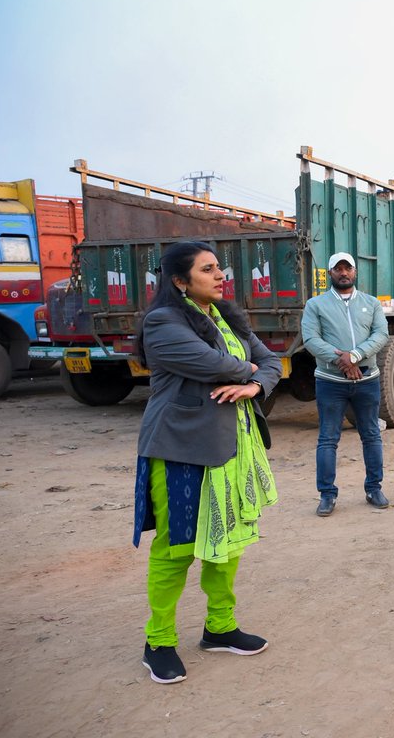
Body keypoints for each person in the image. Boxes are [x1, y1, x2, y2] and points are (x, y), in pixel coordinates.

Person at [132, 241, 281, 685]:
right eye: (208, 269)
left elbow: (271, 360)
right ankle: (158, 641)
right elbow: (211, 363)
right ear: (180, 281)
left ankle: (219, 628)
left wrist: (257, 384)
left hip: (232, 447)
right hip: (181, 448)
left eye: (220, 268)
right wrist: (248, 369)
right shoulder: (162, 322)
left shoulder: (225, 317)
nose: (221, 276)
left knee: (228, 541)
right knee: (176, 548)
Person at [300, 252, 391, 517]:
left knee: (371, 435)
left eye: (347, 268)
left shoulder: (371, 303)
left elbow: (381, 334)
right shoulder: (316, 305)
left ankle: (374, 488)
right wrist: (341, 360)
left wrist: (355, 356)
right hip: (330, 382)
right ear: (330, 274)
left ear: (355, 272)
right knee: (328, 439)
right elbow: (311, 339)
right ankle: (327, 495)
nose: (343, 273)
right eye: (337, 269)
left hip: (367, 380)